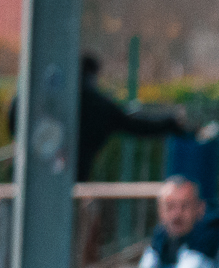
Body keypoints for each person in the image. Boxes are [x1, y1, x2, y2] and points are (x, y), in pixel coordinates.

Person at [7, 52, 193, 183]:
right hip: (74, 181)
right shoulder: (98, 106)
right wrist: (170, 124)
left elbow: (15, 118)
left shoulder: (49, 100)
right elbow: (135, 125)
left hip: (32, 179)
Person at [137, 176, 219, 268]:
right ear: (160, 210)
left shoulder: (210, 237)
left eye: (185, 206)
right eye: (170, 206)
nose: (177, 214)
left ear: (200, 208)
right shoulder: (160, 238)